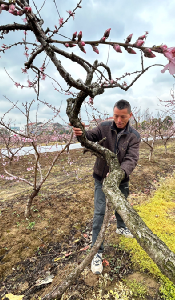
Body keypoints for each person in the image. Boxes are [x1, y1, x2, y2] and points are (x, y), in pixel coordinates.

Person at [71, 99, 141, 275]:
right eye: (116, 116)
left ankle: (121, 226)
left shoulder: (134, 136)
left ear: (130, 115)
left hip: (122, 179)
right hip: (101, 178)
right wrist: (81, 132)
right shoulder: (103, 127)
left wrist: (118, 173)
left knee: (121, 204)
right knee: (100, 214)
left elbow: (131, 159)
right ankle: (97, 253)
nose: (118, 120)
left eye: (122, 117)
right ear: (113, 113)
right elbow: (88, 138)